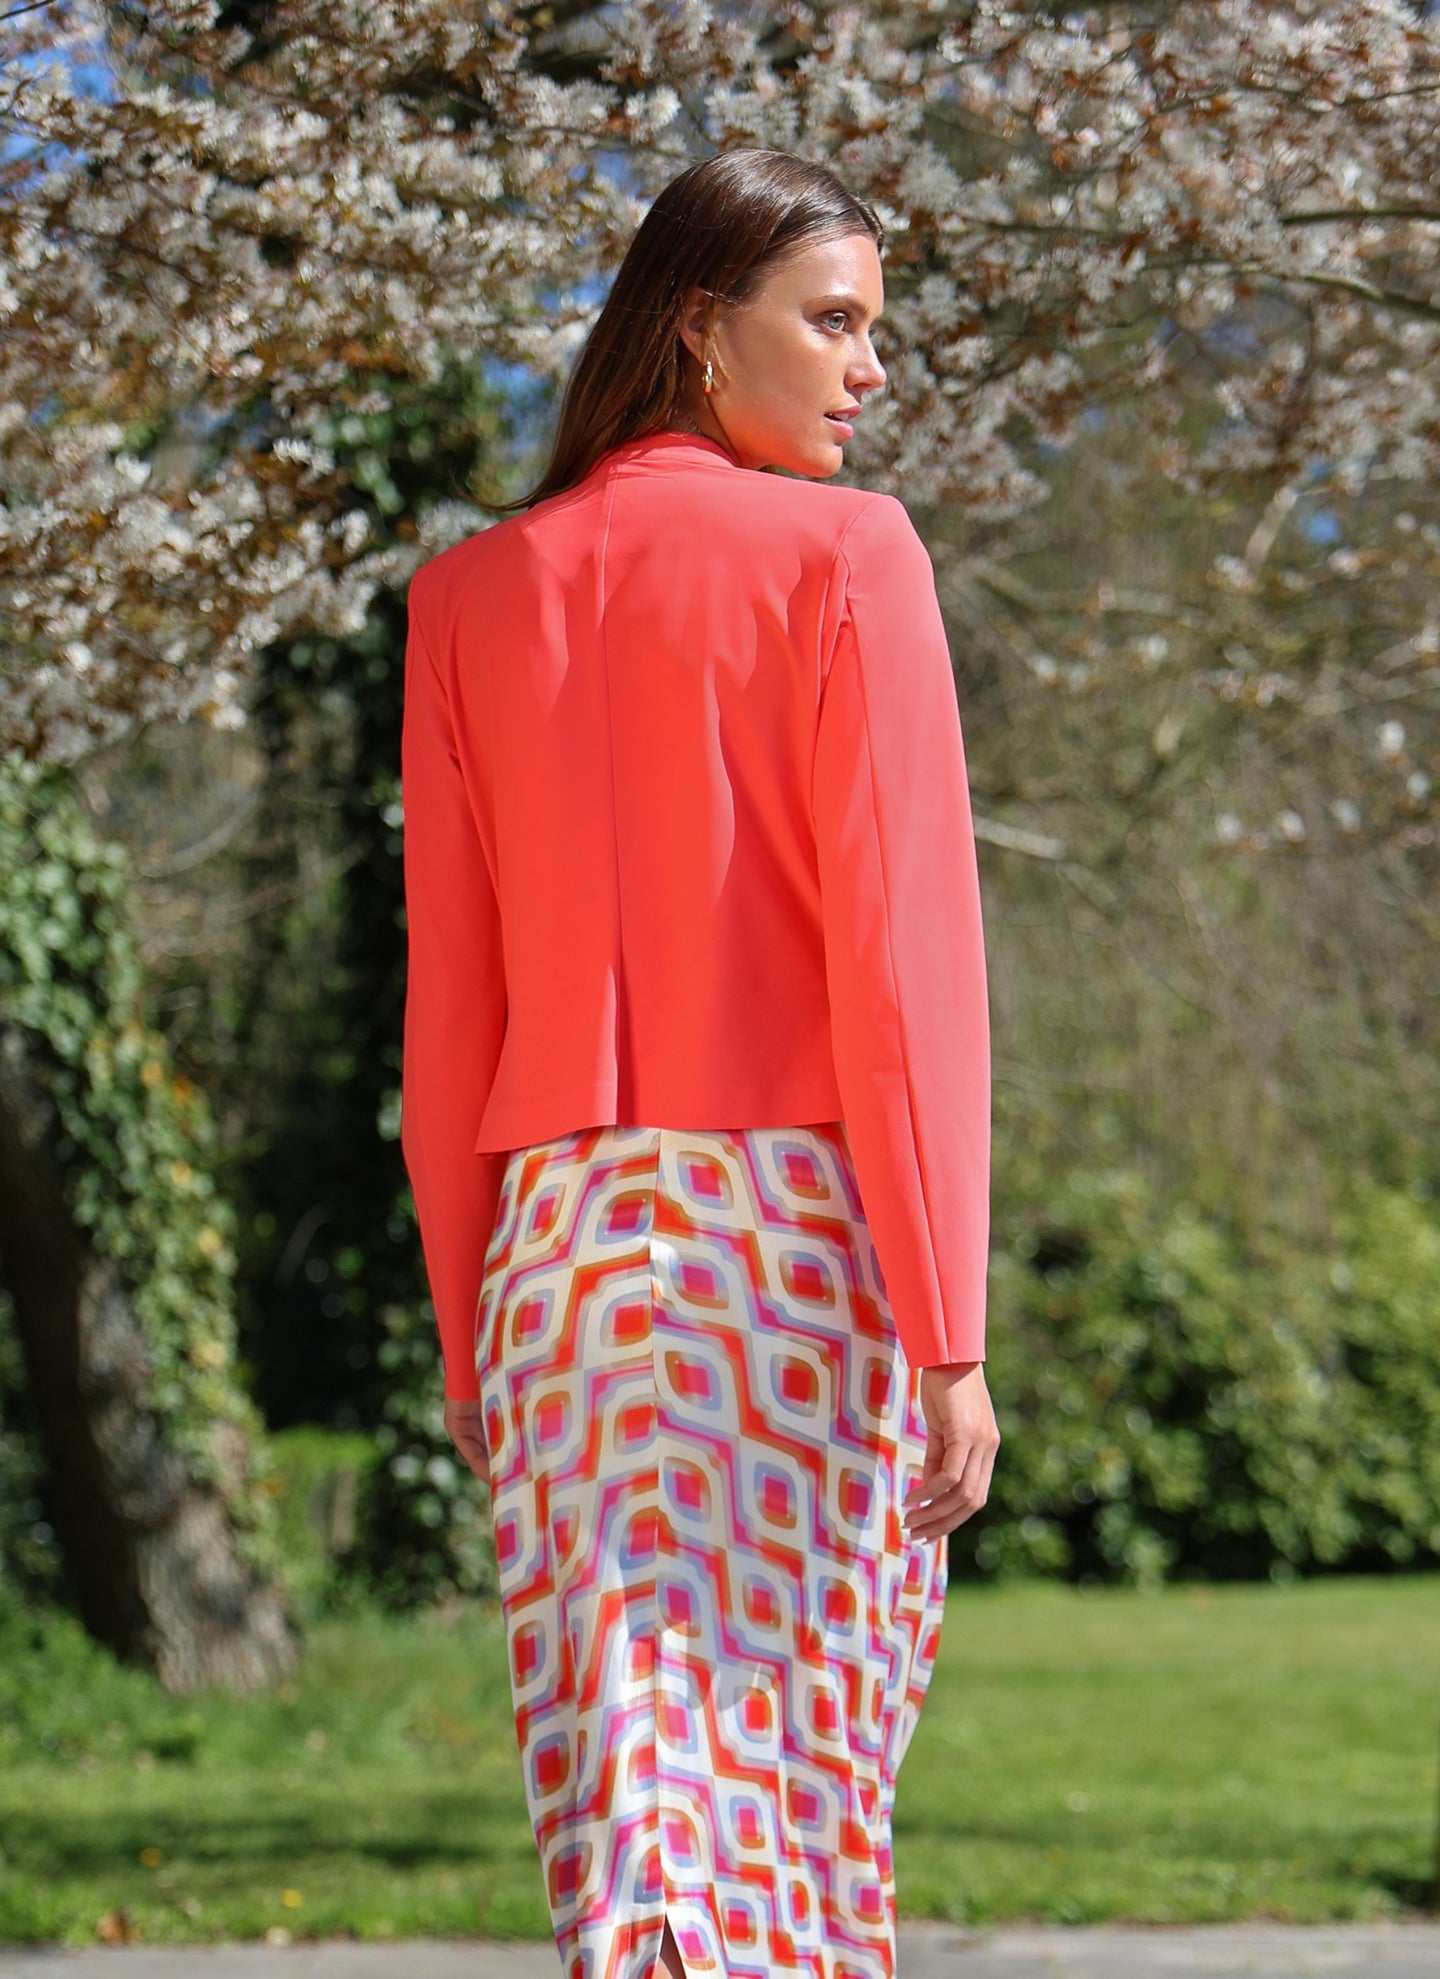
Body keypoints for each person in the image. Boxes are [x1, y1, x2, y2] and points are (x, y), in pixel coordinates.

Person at [399, 146, 999, 1979]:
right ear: (697, 327)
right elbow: (905, 973)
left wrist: (465, 1332)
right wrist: (950, 1330)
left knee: (633, 1807)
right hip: (787, 1255)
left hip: (562, 1271)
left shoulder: (469, 596)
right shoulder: (850, 555)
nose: (869, 368)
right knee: (792, 1797)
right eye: (834, 321)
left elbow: (453, 1015)